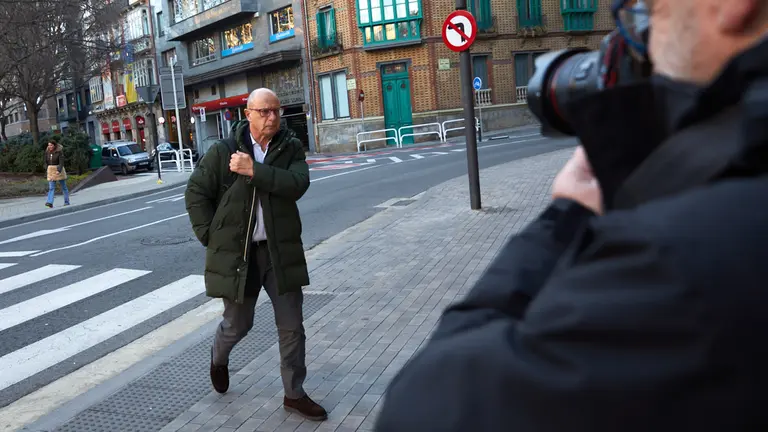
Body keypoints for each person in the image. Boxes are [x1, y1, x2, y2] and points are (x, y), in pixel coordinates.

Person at [375, 0, 768, 431]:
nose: (643, 29)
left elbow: (423, 408)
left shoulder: (682, 256)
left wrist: (565, 217)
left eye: (647, 6)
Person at [185, 88, 327, 421]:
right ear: (247, 114)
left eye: (276, 111)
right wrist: (212, 237)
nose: (272, 117)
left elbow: (297, 184)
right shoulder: (224, 151)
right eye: (264, 111)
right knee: (238, 324)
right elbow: (195, 193)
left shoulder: (289, 146)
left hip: (279, 252)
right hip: (240, 258)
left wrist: (254, 170)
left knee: (292, 326)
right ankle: (218, 357)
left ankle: (294, 394)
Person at [44, 141, 70, 208]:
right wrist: (47, 168)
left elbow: (61, 162)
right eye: (49, 145)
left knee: (64, 187)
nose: (50, 147)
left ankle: (66, 201)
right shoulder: (47, 152)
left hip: (58, 170)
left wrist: (59, 170)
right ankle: (50, 202)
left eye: (51, 145)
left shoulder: (59, 152)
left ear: (54, 145)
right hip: (51, 170)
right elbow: (46, 161)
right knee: (51, 188)